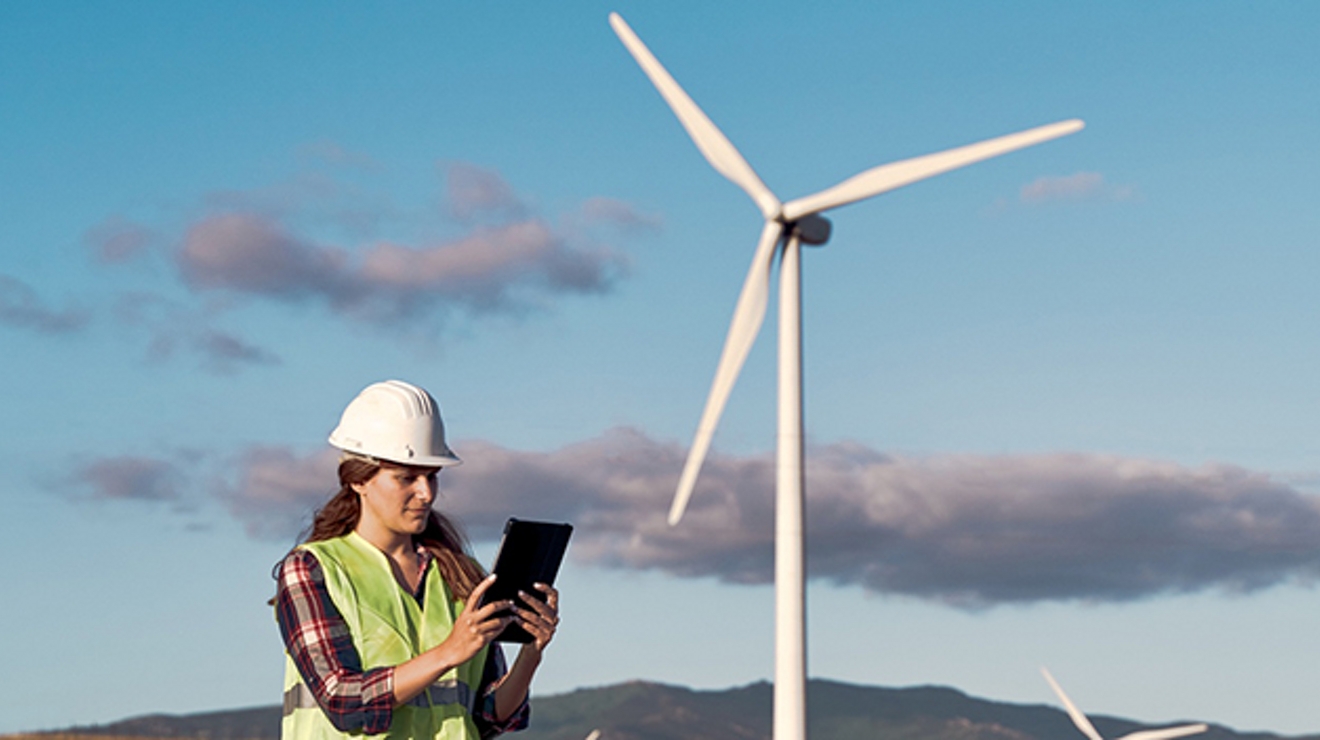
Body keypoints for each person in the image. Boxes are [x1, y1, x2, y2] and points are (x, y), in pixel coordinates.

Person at [275, 379, 559, 740]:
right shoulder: (313, 569)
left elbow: (489, 717)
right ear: (358, 481)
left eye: (432, 477)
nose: (425, 493)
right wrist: (449, 652)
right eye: (406, 478)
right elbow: (342, 701)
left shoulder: (461, 576)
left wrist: (532, 653)